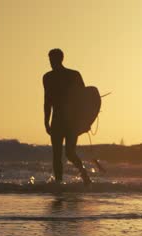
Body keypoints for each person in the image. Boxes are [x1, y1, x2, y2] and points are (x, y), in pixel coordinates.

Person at [43, 48, 92, 185]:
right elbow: (47, 101)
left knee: (70, 153)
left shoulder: (74, 75)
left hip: (72, 120)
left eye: (53, 60)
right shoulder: (47, 77)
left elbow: (84, 98)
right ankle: (59, 183)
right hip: (57, 120)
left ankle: (85, 176)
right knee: (56, 155)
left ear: (60, 59)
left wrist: (86, 121)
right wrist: (46, 122)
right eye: (50, 60)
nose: (51, 62)